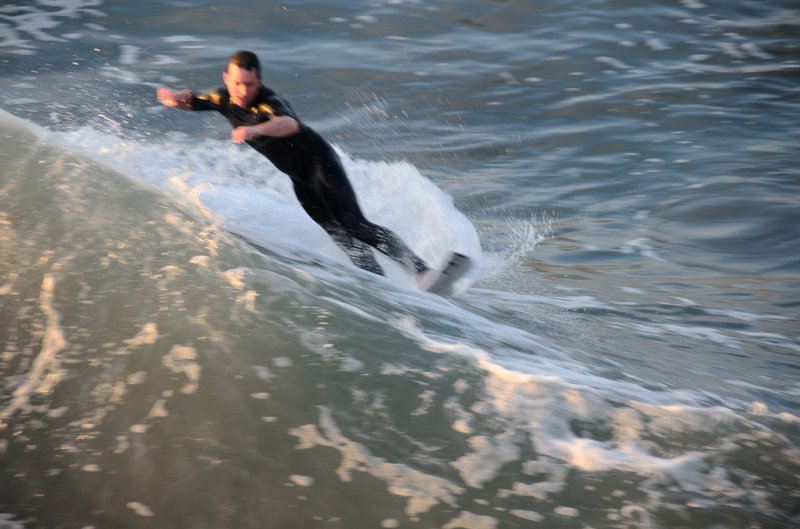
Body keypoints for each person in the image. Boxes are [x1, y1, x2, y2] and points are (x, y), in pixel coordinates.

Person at [157, 50, 430, 279]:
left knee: (354, 223)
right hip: (300, 179)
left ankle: (421, 271)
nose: (242, 91)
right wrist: (177, 99)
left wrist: (254, 131)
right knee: (338, 234)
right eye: (237, 83)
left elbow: (289, 124)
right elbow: (195, 101)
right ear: (226, 79)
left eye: (250, 84)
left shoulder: (269, 103)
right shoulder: (222, 98)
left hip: (320, 163)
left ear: (259, 82)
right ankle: (379, 282)